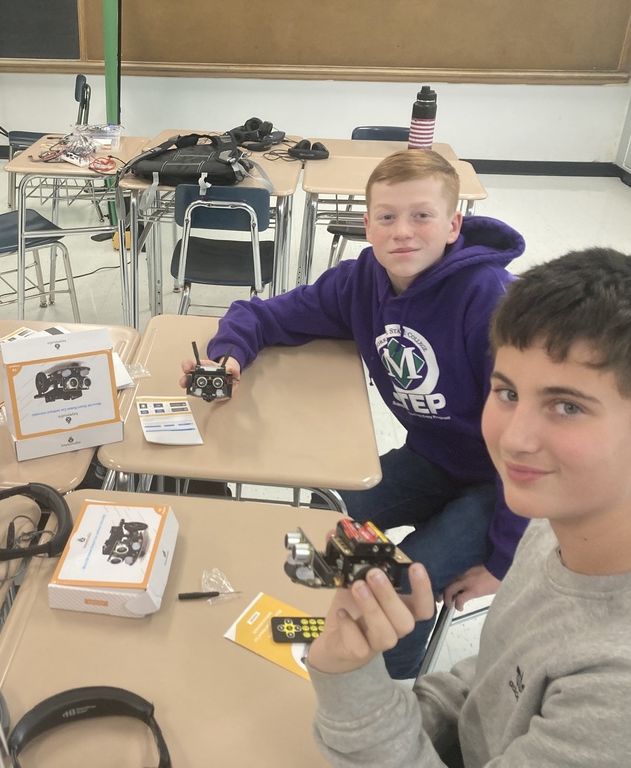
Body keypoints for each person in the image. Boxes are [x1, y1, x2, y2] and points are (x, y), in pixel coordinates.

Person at [306, 248, 631, 767]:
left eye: (567, 407)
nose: (513, 440)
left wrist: (352, 691)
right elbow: (492, 690)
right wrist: (379, 702)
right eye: (507, 392)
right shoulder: (555, 529)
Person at [183, 149, 528, 678]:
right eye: (386, 217)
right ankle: (326, 637)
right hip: (433, 459)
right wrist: (229, 353)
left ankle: (390, 692)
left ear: (454, 224)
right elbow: (264, 314)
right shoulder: (361, 280)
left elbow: (526, 442)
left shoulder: (489, 301)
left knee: (402, 582)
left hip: (502, 481)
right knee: (325, 523)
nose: (402, 232)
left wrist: (504, 561)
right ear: (366, 225)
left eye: (422, 216)